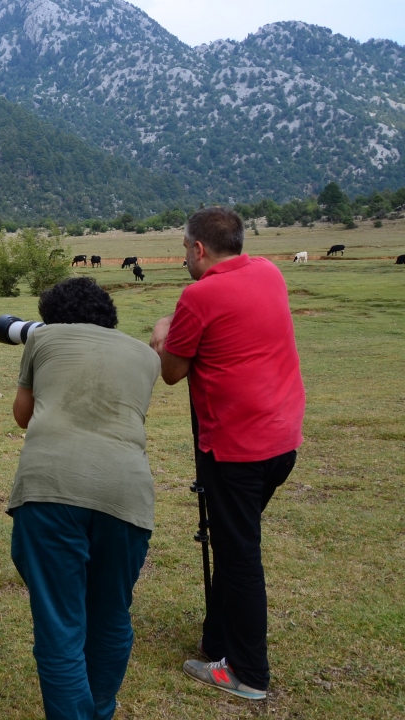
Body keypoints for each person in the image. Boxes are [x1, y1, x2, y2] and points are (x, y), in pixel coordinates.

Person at [149, 207, 305, 701]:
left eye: (183, 250)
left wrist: (160, 333)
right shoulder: (269, 271)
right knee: (231, 541)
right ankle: (215, 640)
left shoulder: (199, 293)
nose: (183, 260)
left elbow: (172, 371)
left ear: (198, 249)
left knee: (238, 555)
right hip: (283, 439)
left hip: (237, 449)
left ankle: (247, 673)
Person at [8, 277, 161, 720]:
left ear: (51, 316)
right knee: (112, 616)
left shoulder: (43, 337)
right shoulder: (145, 356)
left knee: (60, 627)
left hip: (50, 489)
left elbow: (22, 415)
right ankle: (100, 711)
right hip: (128, 496)